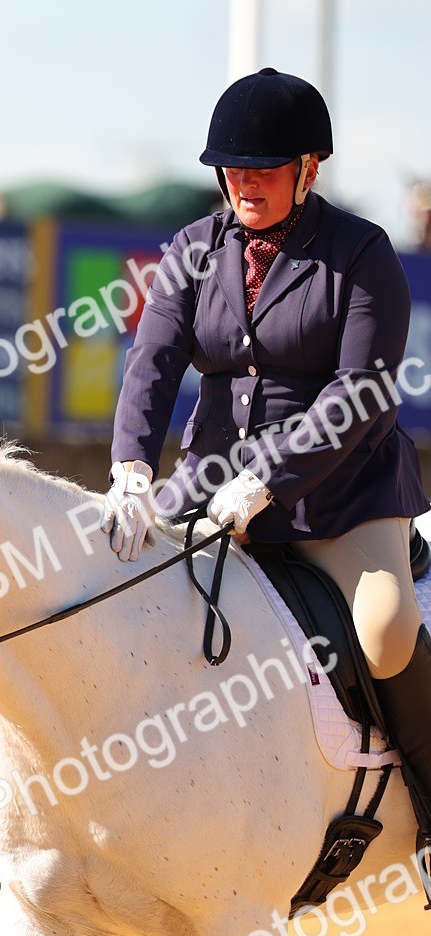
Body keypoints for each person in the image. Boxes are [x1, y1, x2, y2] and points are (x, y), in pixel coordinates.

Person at [101, 67, 431, 888]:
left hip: (344, 497)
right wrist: (132, 467)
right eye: (234, 169)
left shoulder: (360, 254)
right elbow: (151, 365)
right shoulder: (191, 250)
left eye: (265, 169)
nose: (245, 183)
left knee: (386, 634)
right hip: (207, 484)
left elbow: (363, 393)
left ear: (308, 169)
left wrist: (272, 477)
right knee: (110, 592)